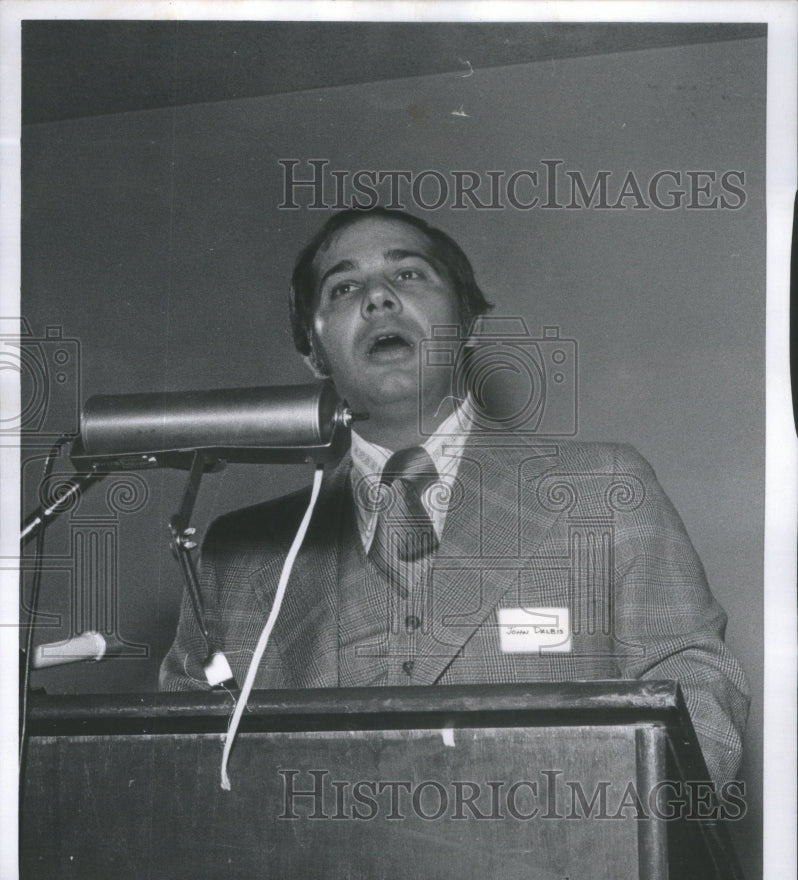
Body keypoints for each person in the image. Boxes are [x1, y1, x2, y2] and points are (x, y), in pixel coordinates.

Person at [160, 207, 749, 785]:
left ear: (468, 322)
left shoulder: (603, 491)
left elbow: (697, 696)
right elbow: (182, 763)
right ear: (311, 350)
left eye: (409, 274)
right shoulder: (239, 554)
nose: (378, 298)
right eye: (343, 287)